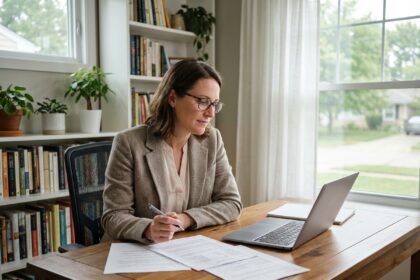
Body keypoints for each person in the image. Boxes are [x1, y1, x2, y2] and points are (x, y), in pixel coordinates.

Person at [101, 59, 242, 244]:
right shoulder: (128, 143)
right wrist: (148, 229)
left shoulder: (212, 140)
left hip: (184, 247)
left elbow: (232, 203)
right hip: (136, 251)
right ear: (173, 98)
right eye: (202, 101)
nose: (210, 113)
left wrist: (185, 219)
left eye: (214, 104)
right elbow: (113, 216)